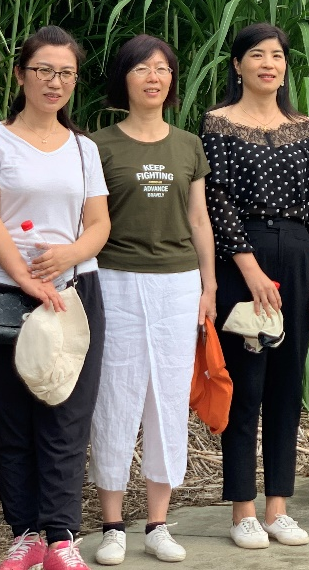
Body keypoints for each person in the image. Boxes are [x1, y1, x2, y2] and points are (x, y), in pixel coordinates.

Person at [0, 26, 110, 570]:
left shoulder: (84, 148)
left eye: (66, 73)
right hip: (4, 291)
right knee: (12, 417)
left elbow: (100, 224)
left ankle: (61, 537)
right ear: (20, 74)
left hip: (73, 291)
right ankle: (24, 534)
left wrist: (69, 254)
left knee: (67, 413)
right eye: (43, 70)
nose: (54, 82)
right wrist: (26, 278)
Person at [200, 23, 309, 549]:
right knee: (246, 384)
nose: (268, 64)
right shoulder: (219, 123)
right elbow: (217, 201)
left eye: (277, 56)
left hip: (299, 256)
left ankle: (279, 506)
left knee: (286, 384)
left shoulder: (304, 127)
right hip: (242, 260)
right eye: (256, 55)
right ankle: (243, 509)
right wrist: (251, 270)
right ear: (237, 65)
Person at [89, 35, 217, 564]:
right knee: (114, 396)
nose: (154, 77)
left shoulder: (188, 145)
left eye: (163, 68)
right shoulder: (97, 145)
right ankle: (112, 525)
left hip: (177, 283)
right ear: (124, 78)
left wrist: (209, 286)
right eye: (142, 68)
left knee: (167, 397)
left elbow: (198, 219)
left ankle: (158, 523)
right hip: (115, 280)